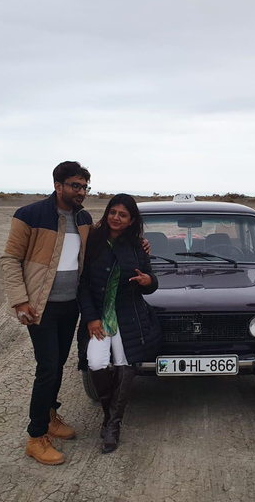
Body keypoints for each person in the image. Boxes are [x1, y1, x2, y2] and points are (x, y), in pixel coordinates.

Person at [0, 161, 93, 465]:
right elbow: (11, 259)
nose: (81, 191)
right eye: (75, 185)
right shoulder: (30, 215)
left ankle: (51, 416)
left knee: (59, 363)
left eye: (84, 186)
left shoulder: (83, 218)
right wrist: (20, 301)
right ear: (58, 186)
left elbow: (100, 247)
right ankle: (36, 436)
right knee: (48, 367)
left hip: (70, 306)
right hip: (41, 307)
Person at [78, 193, 162, 454]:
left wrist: (150, 281)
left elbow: (150, 280)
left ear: (131, 220)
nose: (116, 218)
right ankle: (108, 415)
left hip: (128, 316)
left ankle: (112, 425)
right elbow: (81, 284)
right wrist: (91, 318)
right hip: (100, 318)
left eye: (122, 214)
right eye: (113, 212)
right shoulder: (92, 241)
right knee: (96, 363)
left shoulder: (138, 246)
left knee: (126, 364)